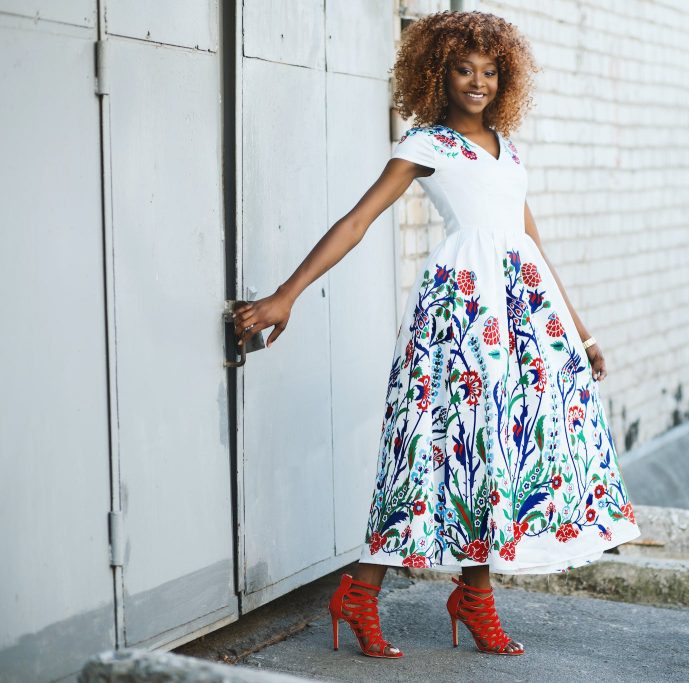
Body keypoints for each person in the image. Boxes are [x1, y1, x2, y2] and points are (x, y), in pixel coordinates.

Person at [232, 9, 641, 659]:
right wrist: (288, 293)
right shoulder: (427, 144)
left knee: (494, 449)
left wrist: (581, 332)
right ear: (437, 72)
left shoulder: (509, 150)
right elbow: (357, 221)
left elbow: (530, 242)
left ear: (504, 78)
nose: (476, 81)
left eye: (489, 70)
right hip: (460, 313)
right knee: (431, 447)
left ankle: (474, 596)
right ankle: (361, 593)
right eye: (462, 69)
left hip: (523, 318)